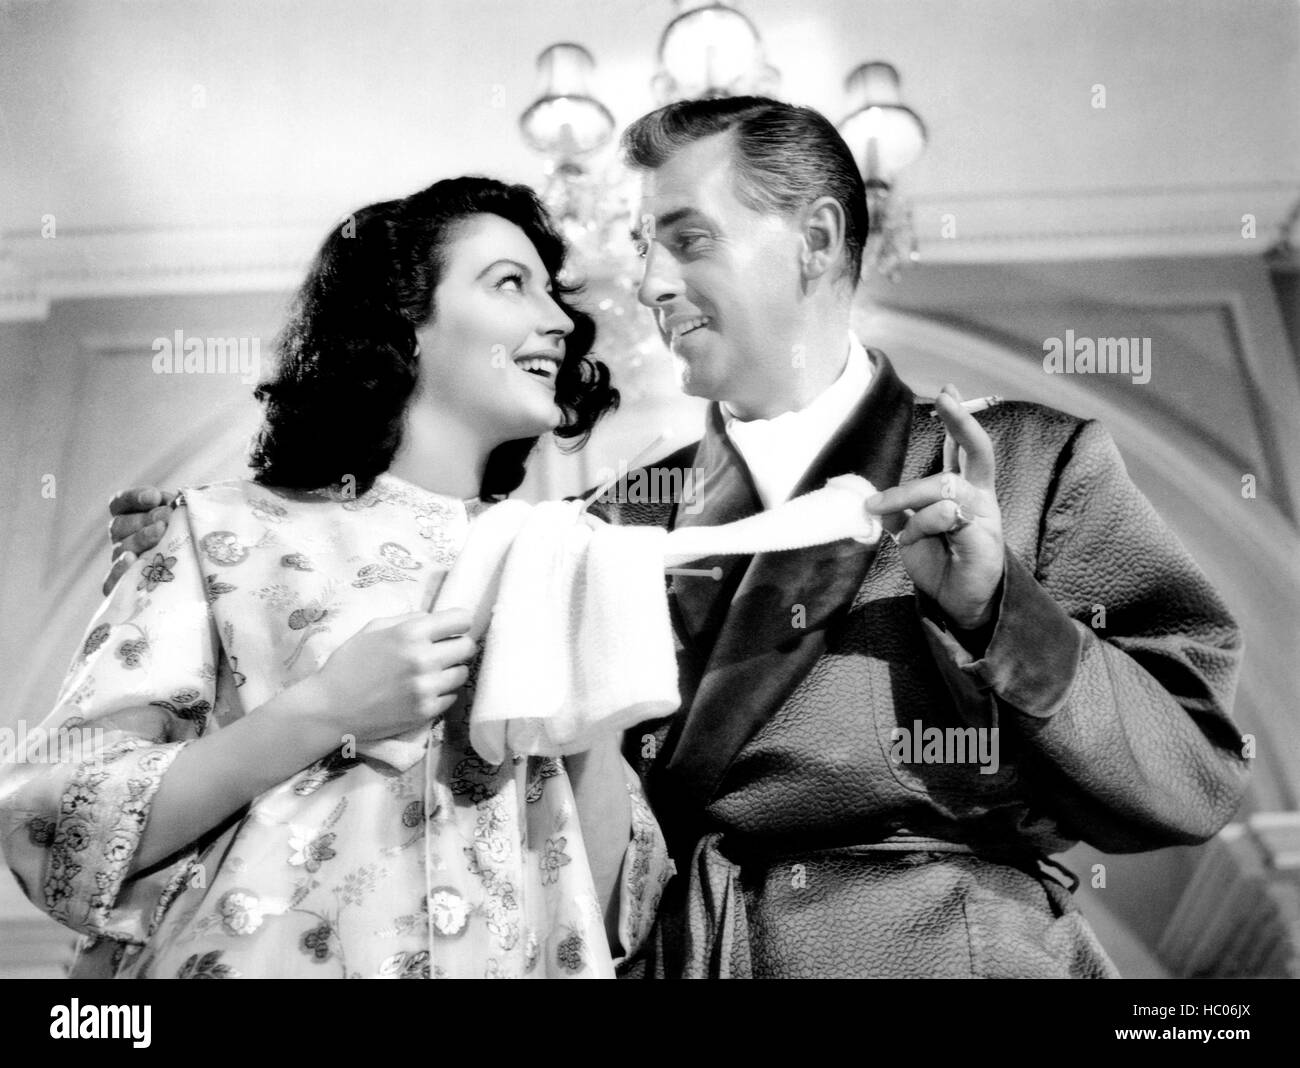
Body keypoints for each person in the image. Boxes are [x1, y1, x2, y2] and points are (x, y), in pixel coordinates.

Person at [102, 98, 1252, 980]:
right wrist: (241, 545)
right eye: (644, 247)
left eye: (687, 239)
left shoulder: (1029, 461)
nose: (645, 284)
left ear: (815, 238)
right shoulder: (604, 525)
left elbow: (1193, 780)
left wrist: (1001, 609)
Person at [0, 176, 670, 979]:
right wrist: (327, 708)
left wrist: (592, 711)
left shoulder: (567, 564)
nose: (559, 321)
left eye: (551, 292)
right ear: (402, 321)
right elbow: (56, 827)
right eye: (509, 283)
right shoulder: (216, 529)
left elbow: (600, 919)